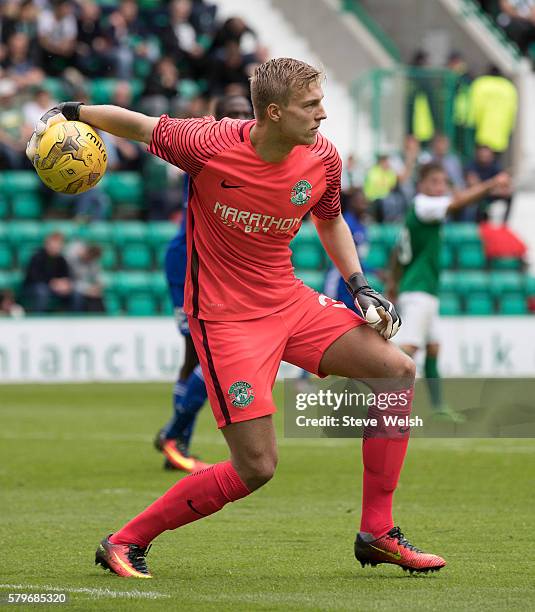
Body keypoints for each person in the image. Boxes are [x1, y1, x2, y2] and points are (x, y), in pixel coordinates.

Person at [27, 57, 445, 579]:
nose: (323, 114)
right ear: (273, 112)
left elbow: (331, 218)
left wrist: (361, 286)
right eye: (311, 105)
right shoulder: (207, 143)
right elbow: (136, 124)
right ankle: (125, 541)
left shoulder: (323, 159)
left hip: (288, 301)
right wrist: (67, 112)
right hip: (225, 321)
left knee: (396, 371)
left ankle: (377, 533)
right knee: (257, 467)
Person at [154, 94, 254, 473]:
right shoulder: (205, 152)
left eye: (248, 114)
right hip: (189, 268)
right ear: (216, 121)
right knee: (200, 355)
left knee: (196, 357)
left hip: (221, 272)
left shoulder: (254, 153)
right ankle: (176, 438)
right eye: (235, 115)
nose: (242, 121)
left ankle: (176, 436)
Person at [388, 162, 510, 419]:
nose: (440, 187)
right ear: (421, 185)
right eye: (434, 181)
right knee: (407, 348)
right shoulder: (424, 204)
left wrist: (392, 284)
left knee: (433, 348)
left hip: (423, 289)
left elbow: (398, 251)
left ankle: (438, 406)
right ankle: (376, 394)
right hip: (419, 290)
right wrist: (490, 185)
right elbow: (456, 204)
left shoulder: (421, 210)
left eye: (443, 182)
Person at [469, 65, 517, 155]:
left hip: (481, 132)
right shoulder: (508, 87)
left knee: (482, 162)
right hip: (500, 135)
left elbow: (473, 108)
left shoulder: (480, 84)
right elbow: (512, 112)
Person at [23, 232, 74, 313]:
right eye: (53, 244)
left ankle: (71, 319)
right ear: (47, 244)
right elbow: (33, 277)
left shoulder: (61, 259)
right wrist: (52, 283)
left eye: (58, 245)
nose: (55, 247)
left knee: (75, 293)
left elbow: (67, 275)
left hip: (55, 287)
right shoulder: (37, 257)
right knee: (42, 291)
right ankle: (38, 317)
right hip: (33, 287)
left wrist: (64, 284)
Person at [65, 241, 105, 313]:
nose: (88, 259)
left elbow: (98, 278)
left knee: (98, 296)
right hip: (69, 285)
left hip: (83, 286)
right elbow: (72, 280)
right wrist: (87, 290)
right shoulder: (71, 258)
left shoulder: (93, 262)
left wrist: (97, 287)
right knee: (77, 296)